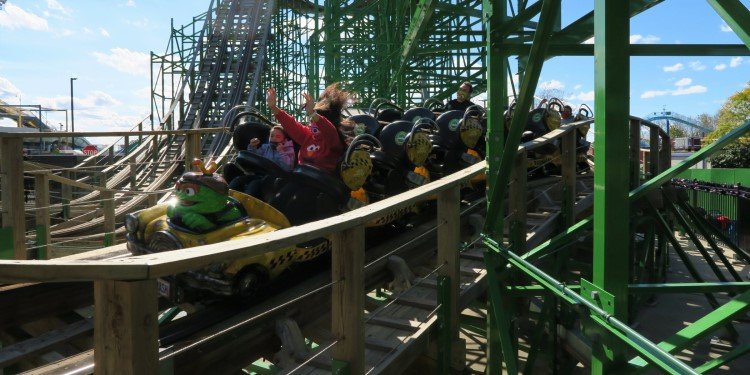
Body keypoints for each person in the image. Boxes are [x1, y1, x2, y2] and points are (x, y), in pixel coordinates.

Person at [266, 84, 349, 174]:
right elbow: (291, 124)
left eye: (315, 119)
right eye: (311, 120)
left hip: (322, 181)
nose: (313, 123)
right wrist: (273, 107)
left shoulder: (333, 138)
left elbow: (327, 128)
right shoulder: (308, 136)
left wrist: (312, 113)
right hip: (302, 177)